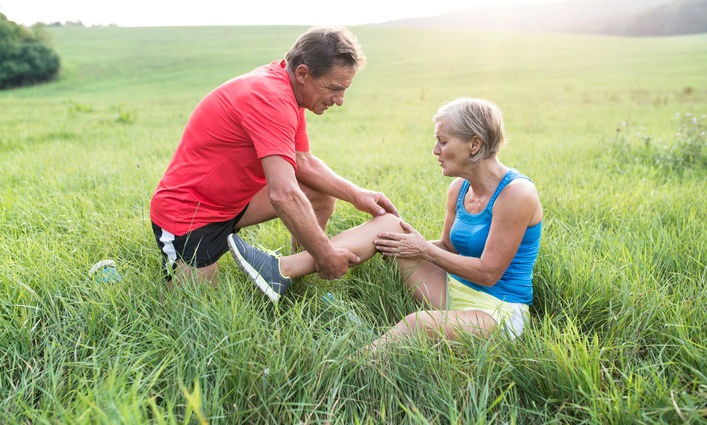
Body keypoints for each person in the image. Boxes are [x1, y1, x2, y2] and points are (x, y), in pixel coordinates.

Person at [228, 97, 542, 349]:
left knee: (417, 324)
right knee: (388, 224)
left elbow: (488, 273)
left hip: (498, 312)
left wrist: (423, 250)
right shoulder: (459, 189)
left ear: (474, 144)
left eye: (443, 142)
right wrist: (396, 245)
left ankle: (352, 370)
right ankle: (280, 270)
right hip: (453, 290)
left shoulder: (516, 195)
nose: (435, 151)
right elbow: (447, 246)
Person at [149, 27, 398, 298]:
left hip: (234, 205)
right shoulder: (270, 98)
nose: (338, 101)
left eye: (343, 90)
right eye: (333, 88)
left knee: (319, 195)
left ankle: (288, 270)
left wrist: (357, 195)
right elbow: (283, 193)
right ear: (303, 73)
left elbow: (303, 161)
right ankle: (298, 263)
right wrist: (325, 255)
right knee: (198, 311)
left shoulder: (289, 88)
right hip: (190, 214)